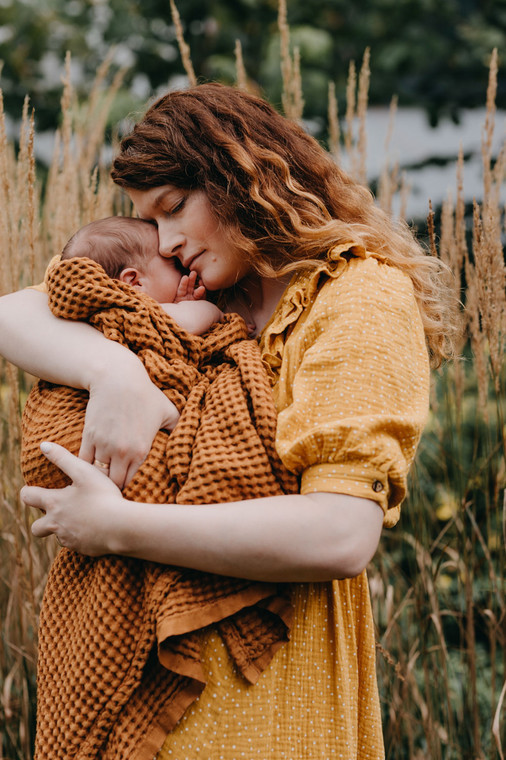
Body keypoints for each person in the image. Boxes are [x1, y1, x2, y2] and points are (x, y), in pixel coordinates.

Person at [0, 82, 453, 759]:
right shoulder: (191, 294)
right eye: (151, 223)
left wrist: (120, 527)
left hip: (265, 693)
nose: (167, 240)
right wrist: (113, 371)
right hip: (134, 681)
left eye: (175, 208)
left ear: (245, 178)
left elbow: (340, 533)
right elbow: (14, 312)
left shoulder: (357, 297)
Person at [60, 215, 224, 335]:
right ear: (134, 282)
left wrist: (180, 305)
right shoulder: (132, 316)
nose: (183, 269)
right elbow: (192, 322)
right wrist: (215, 312)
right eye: (174, 264)